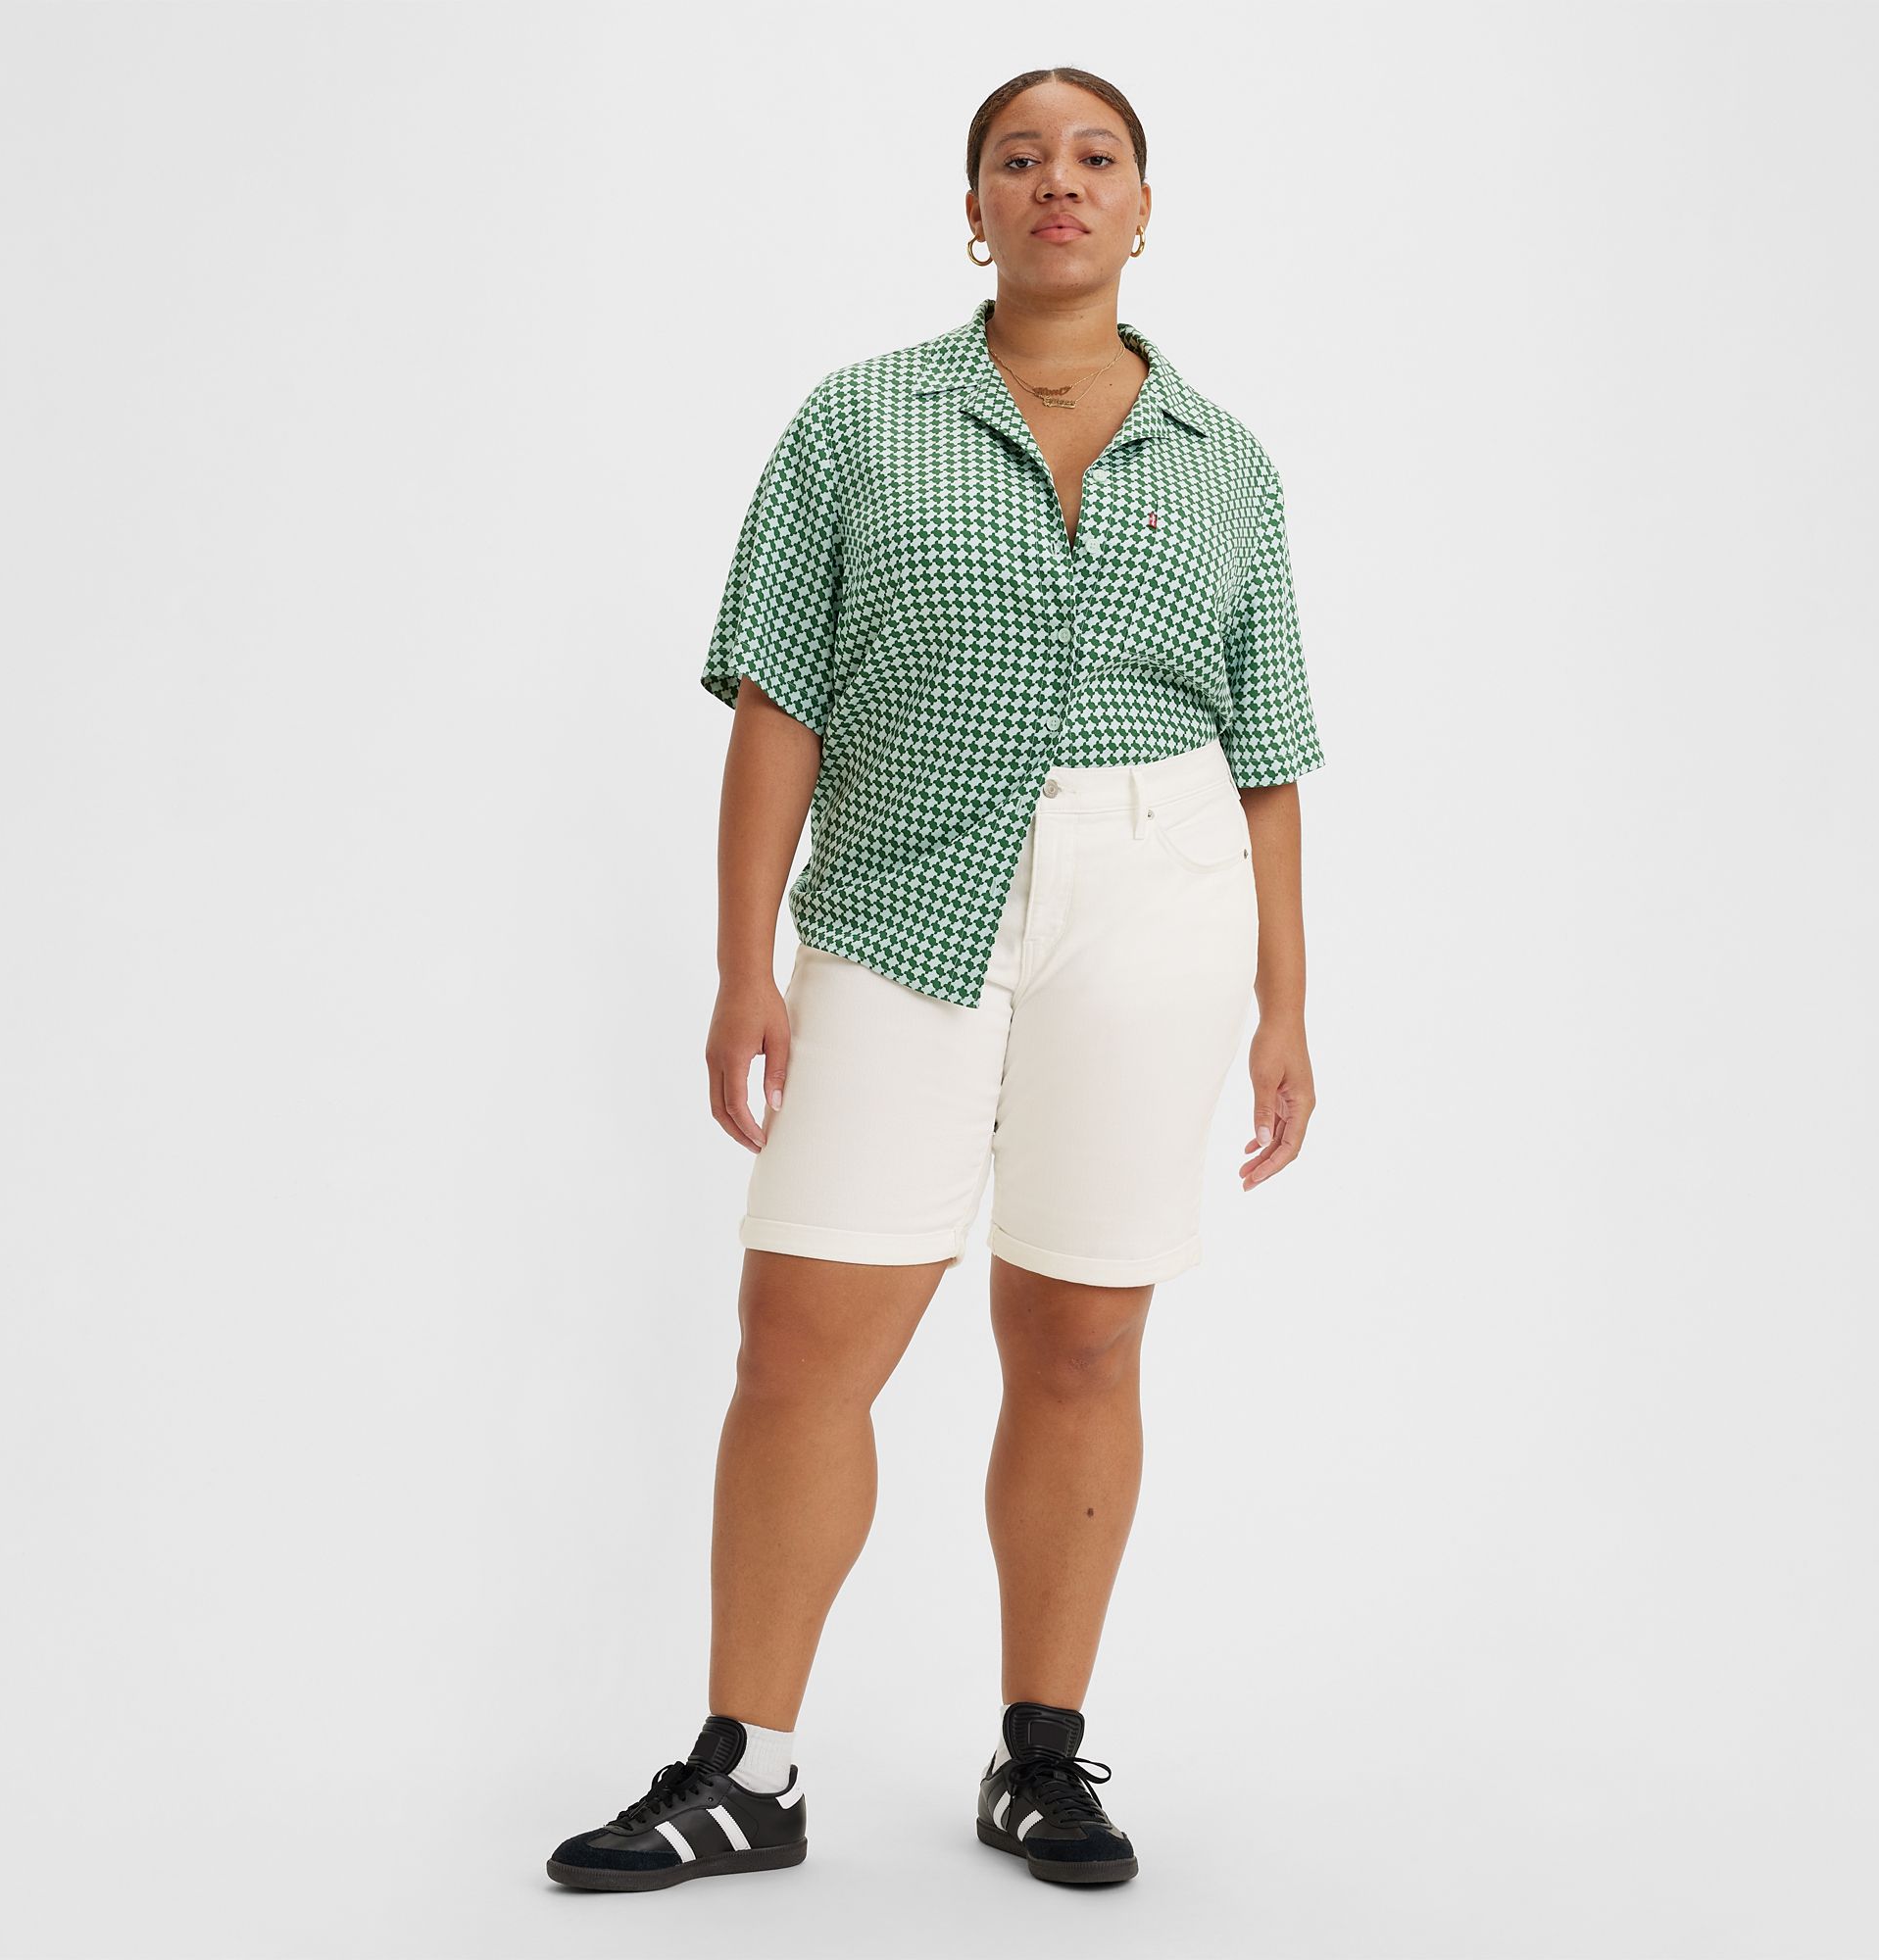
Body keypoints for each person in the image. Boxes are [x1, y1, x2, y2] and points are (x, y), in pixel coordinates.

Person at [545, 67, 1326, 1894]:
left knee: (1082, 1333)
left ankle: (1039, 1756)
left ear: (1144, 207)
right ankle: (748, 1769)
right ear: (971, 209)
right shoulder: (856, 424)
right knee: (804, 1337)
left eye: (1095, 157)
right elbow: (777, 700)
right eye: (1017, 159)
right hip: (900, 895)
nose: (1058, 182)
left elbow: (1270, 750)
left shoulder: (1227, 463)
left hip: (1154, 901)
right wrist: (741, 965)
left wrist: (1286, 1004)